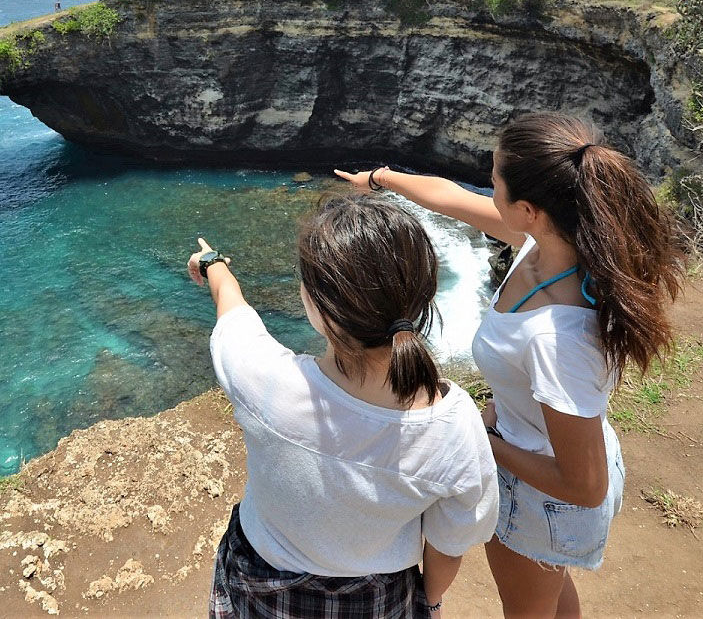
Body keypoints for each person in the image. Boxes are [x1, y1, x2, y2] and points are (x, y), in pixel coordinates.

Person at [335, 112, 683, 618]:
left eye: (494, 179)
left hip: (544, 495)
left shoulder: (557, 339)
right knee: (551, 596)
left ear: (527, 209)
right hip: (544, 458)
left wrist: (485, 443)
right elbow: (451, 198)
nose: (486, 186)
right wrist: (380, 180)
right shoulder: (555, 245)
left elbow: (585, 486)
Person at [190, 195, 498, 619]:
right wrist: (430, 602)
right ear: (423, 296)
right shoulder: (454, 421)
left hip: (261, 589)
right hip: (379, 600)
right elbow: (449, 545)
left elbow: (233, 310)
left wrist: (213, 264)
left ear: (316, 306)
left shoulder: (265, 380)